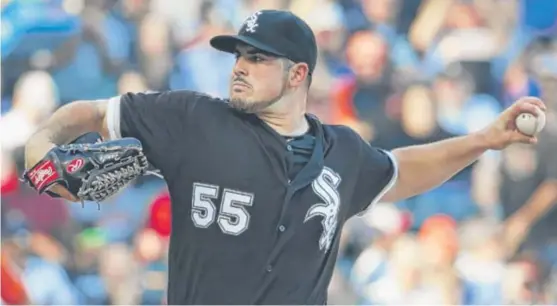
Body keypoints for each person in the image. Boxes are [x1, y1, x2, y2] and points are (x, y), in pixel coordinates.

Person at [23, 9, 546, 305]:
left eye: (257, 58)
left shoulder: (342, 153)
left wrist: (483, 139)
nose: (239, 67)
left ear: (298, 74)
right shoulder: (191, 119)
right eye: (237, 56)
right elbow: (89, 113)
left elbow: (404, 169)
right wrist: (41, 147)